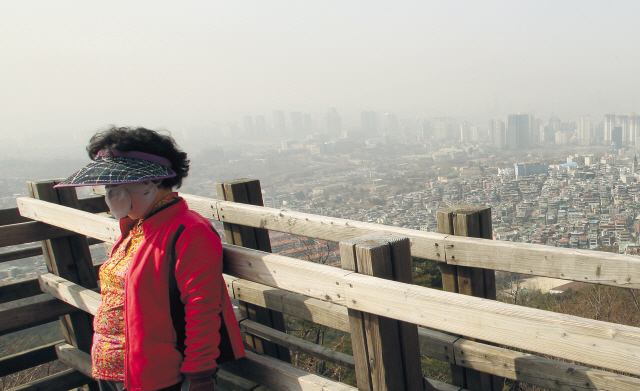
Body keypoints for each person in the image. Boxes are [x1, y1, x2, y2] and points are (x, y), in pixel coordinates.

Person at [55, 126, 245, 391]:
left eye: (118, 183)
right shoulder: (135, 228)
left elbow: (202, 307)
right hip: (113, 371)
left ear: (152, 180)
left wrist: (200, 374)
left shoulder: (188, 230)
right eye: (109, 185)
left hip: (158, 376)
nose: (111, 193)